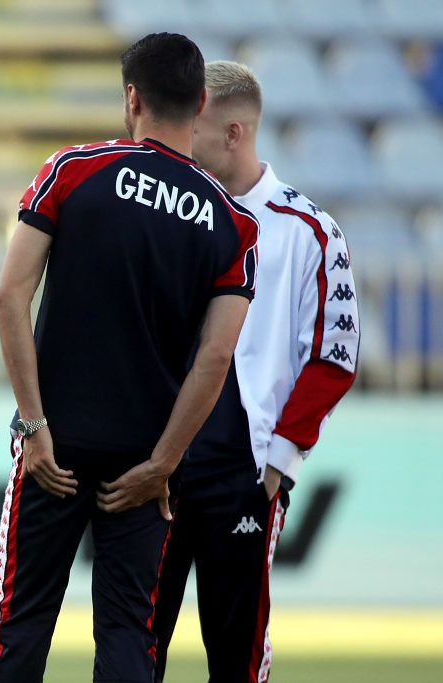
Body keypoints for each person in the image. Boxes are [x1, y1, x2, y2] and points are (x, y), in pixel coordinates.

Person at [0, 33, 260, 683]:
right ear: (200, 104)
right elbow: (216, 355)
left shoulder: (71, 171)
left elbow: (9, 296)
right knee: (128, 632)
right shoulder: (233, 223)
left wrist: (35, 426)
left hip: (54, 448)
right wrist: (163, 463)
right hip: (143, 462)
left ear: (132, 97)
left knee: (20, 626)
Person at [151, 61, 359, 683]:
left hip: (243, 474)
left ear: (233, 133)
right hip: (156, 466)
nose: (180, 141)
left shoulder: (309, 230)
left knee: (236, 653)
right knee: (133, 643)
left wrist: (279, 459)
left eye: (193, 129)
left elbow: (334, 356)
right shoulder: (166, 212)